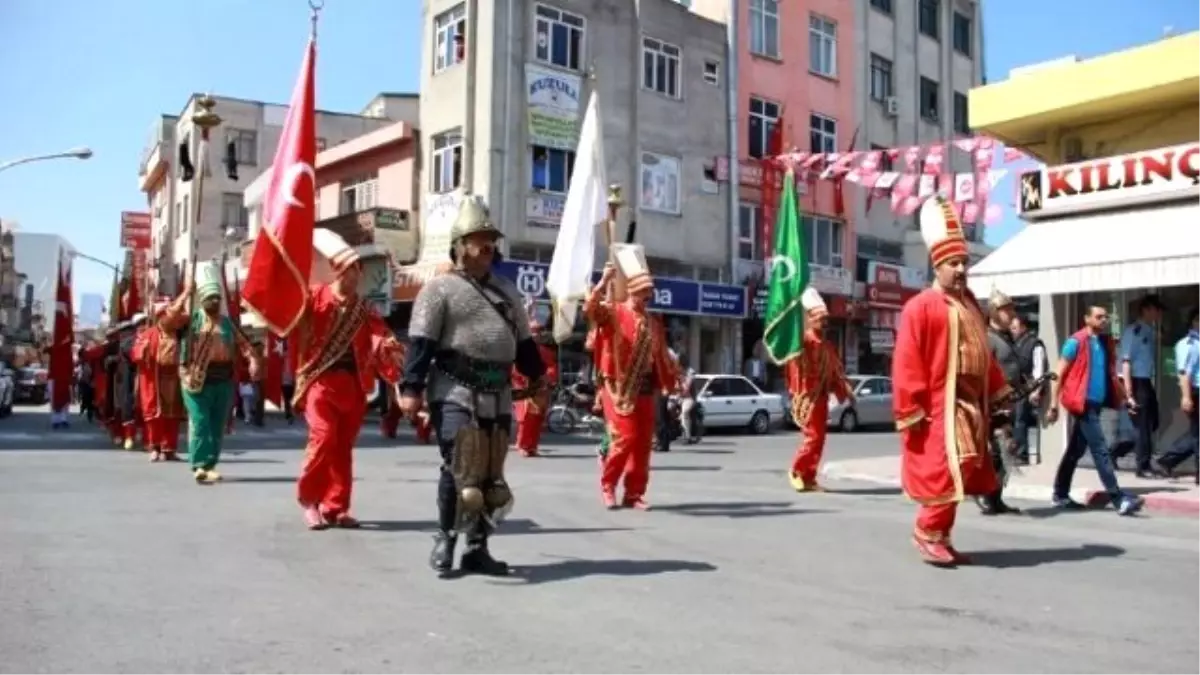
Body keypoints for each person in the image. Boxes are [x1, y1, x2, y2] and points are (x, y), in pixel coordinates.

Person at [398, 196, 547, 577]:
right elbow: (421, 344)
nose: (488, 245)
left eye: (491, 239)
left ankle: (477, 548)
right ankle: (446, 538)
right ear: (460, 244)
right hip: (454, 389)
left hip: (497, 392)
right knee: (461, 466)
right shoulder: (439, 290)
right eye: (480, 238)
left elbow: (526, 344)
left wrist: (539, 378)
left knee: (491, 475)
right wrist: (411, 388)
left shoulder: (507, 291)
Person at [891, 196, 1013, 567]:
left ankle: (941, 534)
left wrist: (999, 391)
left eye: (965, 263)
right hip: (939, 408)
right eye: (953, 263)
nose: (961, 269)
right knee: (950, 466)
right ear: (937, 266)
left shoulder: (971, 304)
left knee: (967, 466)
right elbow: (907, 362)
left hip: (969, 403)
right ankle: (926, 531)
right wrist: (910, 408)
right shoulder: (921, 307)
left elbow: (983, 355)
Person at [291, 230, 404, 530]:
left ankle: (336, 506)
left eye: (358, 270)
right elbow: (293, 318)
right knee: (323, 439)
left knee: (343, 448)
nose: (354, 275)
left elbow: (380, 333)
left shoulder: (365, 309)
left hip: (353, 385)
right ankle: (311, 501)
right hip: (320, 381)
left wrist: (387, 345)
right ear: (337, 269)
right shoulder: (314, 297)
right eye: (349, 269)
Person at [585, 246, 678, 510]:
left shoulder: (653, 322)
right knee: (624, 438)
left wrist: (673, 378)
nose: (646, 297)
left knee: (642, 443)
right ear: (632, 291)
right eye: (642, 292)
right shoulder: (614, 312)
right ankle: (608, 485)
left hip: (646, 387)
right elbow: (591, 311)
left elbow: (661, 356)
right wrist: (603, 282)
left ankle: (634, 493)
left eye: (649, 292)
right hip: (618, 387)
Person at [162, 264, 262, 484]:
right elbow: (168, 320)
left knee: (217, 425)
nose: (215, 302)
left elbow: (245, 345)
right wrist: (186, 292)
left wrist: (253, 360)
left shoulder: (227, 323)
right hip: (195, 380)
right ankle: (198, 464)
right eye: (210, 298)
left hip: (222, 379)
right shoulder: (190, 321)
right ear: (202, 299)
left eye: (217, 298)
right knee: (200, 421)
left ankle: (210, 464)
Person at [1045, 305, 1143, 516]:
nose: (1103, 320)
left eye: (1105, 317)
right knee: (1100, 449)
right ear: (1087, 318)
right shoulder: (1075, 342)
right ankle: (1118, 500)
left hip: (1095, 403)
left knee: (1075, 451)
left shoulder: (1104, 343)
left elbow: (1111, 375)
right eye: (1099, 317)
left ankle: (1060, 494)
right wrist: (1053, 404)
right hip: (1082, 403)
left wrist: (1127, 398)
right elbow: (1057, 373)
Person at [784, 288, 853, 492]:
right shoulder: (803, 343)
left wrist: (846, 390)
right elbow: (792, 350)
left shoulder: (827, 346)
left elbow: (835, 371)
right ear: (810, 320)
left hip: (822, 398)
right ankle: (796, 470)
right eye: (820, 319)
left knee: (820, 440)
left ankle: (809, 477)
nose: (824, 323)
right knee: (812, 437)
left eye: (826, 319)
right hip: (808, 397)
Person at [979, 287, 1023, 515]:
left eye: (1012, 309)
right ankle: (987, 496)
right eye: (1006, 310)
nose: (1011, 314)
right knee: (998, 450)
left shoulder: (1007, 338)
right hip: (994, 404)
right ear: (994, 311)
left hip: (1009, 402)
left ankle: (996, 498)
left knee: (1006, 451)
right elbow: (985, 371)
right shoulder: (988, 339)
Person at [1114, 294, 1167, 477]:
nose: (1159, 313)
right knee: (1143, 424)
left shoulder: (1149, 330)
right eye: (1156, 309)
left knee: (1153, 421)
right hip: (1135, 381)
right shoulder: (1133, 331)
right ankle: (1143, 466)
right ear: (1146, 310)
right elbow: (1125, 362)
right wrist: (1129, 394)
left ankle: (1115, 451)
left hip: (1145, 380)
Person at [1149, 307, 1200, 483]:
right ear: (1193, 322)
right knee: (1197, 434)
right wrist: (1186, 397)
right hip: (1196, 391)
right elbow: (1184, 372)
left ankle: (1167, 460)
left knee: (1196, 434)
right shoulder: (1189, 344)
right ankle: (1168, 461)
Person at [132, 298, 186, 462]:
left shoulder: (180, 334)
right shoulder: (148, 334)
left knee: (173, 416)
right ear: (160, 317)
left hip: (175, 379)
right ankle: (155, 447)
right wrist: (143, 350)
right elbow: (135, 354)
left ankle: (169, 449)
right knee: (154, 416)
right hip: (154, 378)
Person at [512, 310, 559, 457]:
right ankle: (523, 445)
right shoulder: (520, 349)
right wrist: (525, 380)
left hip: (541, 389)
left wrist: (548, 378)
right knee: (526, 419)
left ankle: (532, 446)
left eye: (538, 332)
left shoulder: (546, 351)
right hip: (526, 388)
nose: (536, 334)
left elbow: (552, 367)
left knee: (538, 420)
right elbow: (515, 369)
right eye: (533, 331)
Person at [1010, 314, 1046, 463]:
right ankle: (1014, 451)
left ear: (1023, 328)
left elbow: (1039, 368)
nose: (1012, 331)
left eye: (1015, 328)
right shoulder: (1014, 343)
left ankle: (1022, 454)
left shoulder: (1035, 344)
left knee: (1020, 420)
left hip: (1027, 388)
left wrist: (1036, 390)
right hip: (1015, 388)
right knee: (1014, 419)